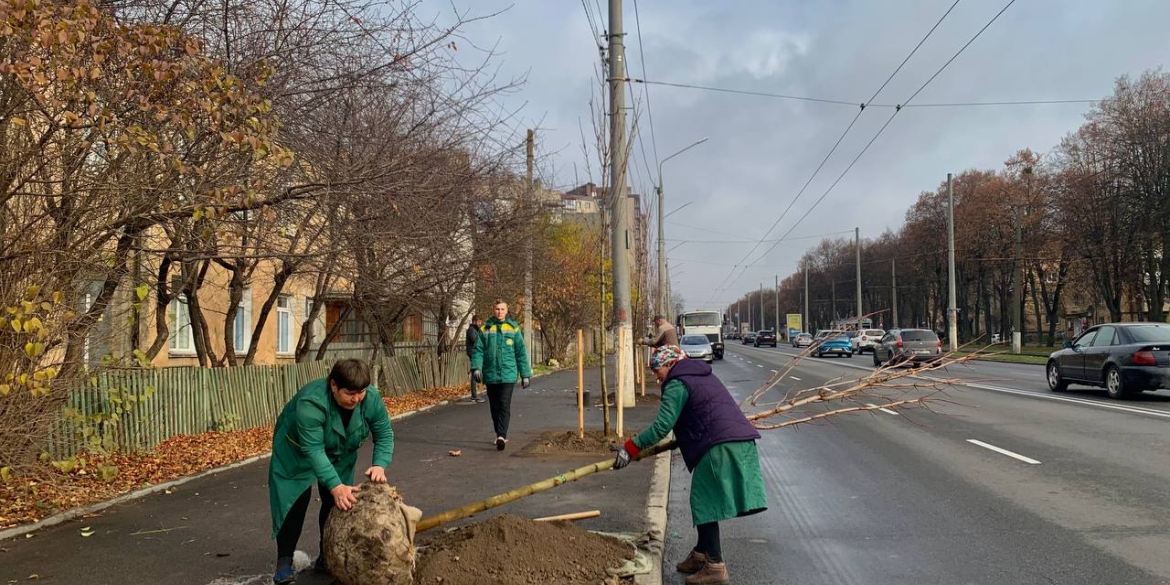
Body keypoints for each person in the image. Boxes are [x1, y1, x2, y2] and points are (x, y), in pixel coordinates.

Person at [612, 345, 767, 585]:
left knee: (705, 502)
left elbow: (662, 426)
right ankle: (700, 554)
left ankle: (715, 566)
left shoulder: (677, 383)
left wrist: (630, 448)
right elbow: (699, 411)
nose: (656, 375)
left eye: (657, 369)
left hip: (719, 445)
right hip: (734, 440)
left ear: (671, 364)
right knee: (704, 500)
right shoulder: (699, 375)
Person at [268, 359, 394, 584]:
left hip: (339, 451)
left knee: (337, 502)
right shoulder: (311, 403)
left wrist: (379, 464)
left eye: (361, 392)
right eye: (350, 393)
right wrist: (335, 485)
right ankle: (284, 563)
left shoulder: (370, 398)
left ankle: (327, 557)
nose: (356, 399)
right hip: (296, 452)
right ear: (334, 385)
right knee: (294, 501)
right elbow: (313, 450)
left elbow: (384, 432)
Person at [470, 299, 532, 451]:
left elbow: (521, 353)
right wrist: (476, 368)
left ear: (506, 310)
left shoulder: (513, 329)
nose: (499, 312)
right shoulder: (485, 329)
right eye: (497, 309)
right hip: (491, 374)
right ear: (494, 310)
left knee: (504, 404)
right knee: (494, 406)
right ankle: (499, 432)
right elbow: (478, 350)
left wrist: (525, 374)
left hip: (508, 374)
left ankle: (501, 436)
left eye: (502, 309)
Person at [465, 315, 485, 403]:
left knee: (477, 372)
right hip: (473, 353)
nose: (480, 324)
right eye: (479, 322)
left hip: (476, 353)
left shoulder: (475, 330)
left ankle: (476, 393)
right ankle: (474, 396)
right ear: (474, 322)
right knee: (474, 373)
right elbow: (476, 341)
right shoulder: (471, 330)